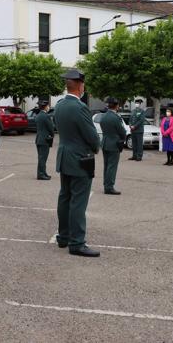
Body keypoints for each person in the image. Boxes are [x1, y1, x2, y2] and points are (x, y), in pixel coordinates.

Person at [54, 69, 101, 257]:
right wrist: (96, 147)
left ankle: (63, 237)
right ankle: (77, 242)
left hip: (65, 157)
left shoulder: (59, 105)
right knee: (78, 202)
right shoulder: (80, 108)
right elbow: (91, 136)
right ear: (81, 85)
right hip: (80, 159)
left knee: (65, 197)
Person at [100, 96, 126, 194]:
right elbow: (122, 132)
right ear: (116, 106)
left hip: (105, 143)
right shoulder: (116, 118)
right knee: (112, 166)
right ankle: (109, 187)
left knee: (106, 165)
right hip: (114, 144)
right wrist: (122, 138)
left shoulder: (104, 116)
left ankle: (106, 184)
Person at [35, 100, 55, 180]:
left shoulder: (38, 115)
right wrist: (52, 135)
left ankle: (43, 172)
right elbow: (51, 128)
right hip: (45, 140)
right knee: (43, 158)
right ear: (45, 107)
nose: (48, 107)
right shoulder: (46, 116)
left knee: (41, 158)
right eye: (48, 106)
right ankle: (41, 174)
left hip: (39, 139)